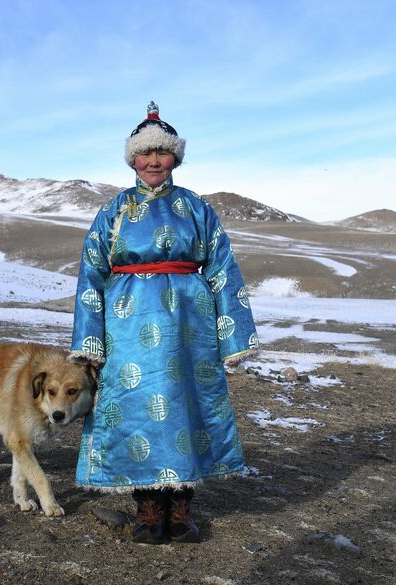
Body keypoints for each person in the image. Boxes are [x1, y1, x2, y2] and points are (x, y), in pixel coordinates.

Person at [69, 101, 257, 544]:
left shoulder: (196, 208)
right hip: (127, 324)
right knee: (137, 411)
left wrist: (234, 338)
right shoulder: (113, 211)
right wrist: (88, 343)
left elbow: (222, 270)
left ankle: (181, 510)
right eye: (145, 153)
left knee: (186, 408)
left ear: (176, 158)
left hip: (189, 326)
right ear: (132, 159)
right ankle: (148, 511)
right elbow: (91, 276)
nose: (153, 161)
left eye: (163, 153)